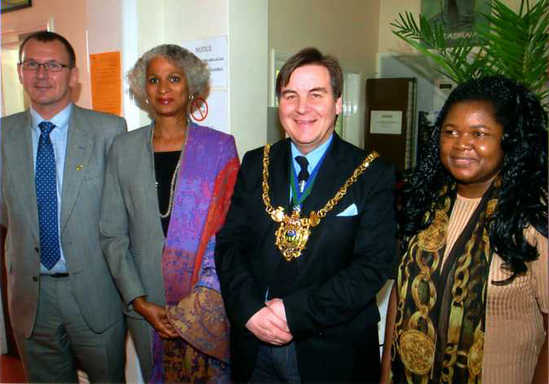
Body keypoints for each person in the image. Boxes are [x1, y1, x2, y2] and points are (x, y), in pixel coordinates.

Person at [215, 47, 396, 383]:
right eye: (290, 96)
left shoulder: (373, 173)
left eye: (316, 95)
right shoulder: (257, 163)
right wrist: (249, 309)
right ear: (279, 104)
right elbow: (229, 245)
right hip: (253, 344)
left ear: (338, 103)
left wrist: (294, 313)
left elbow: (374, 265)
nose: (302, 108)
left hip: (332, 352)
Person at [381, 75, 548, 384]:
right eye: (451, 132)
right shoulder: (428, 205)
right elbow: (400, 296)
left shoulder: (533, 218)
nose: (462, 144)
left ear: (508, 139)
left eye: (479, 133)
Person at [100, 44, 239, 383]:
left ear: (191, 85)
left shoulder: (219, 147)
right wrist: (140, 300)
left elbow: (232, 231)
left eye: (174, 79)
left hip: (206, 302)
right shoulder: (123, 148)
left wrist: (199, 304)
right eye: (154, 80)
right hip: (144, 305)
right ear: (142, 88)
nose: (163, 89)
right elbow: (112, 234)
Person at [0, 31, 126, 382]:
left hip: (95, 293)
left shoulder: (109, 131)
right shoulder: (2, 135)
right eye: (32, 64)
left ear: (73, 74)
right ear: (20, 72)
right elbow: (5, 212)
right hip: (31, 297)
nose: (42, 74)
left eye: (53, 65)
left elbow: (121, 214)